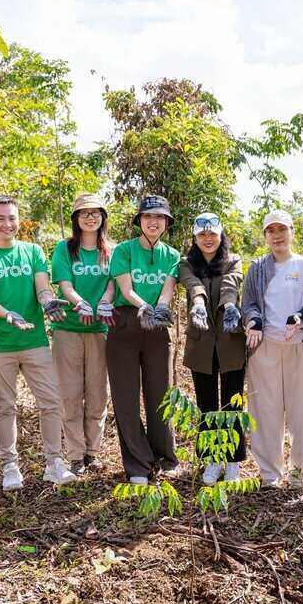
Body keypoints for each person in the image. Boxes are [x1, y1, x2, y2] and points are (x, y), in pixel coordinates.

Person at [0, 194, 76, 491]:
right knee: (5, 406)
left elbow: (42, 287)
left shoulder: (33, 251)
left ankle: (54, 463)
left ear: (19, 220)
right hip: (0, 342)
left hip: (34, 341)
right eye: (0, 218)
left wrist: (48, 301)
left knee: (51, 402)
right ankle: (10, 466)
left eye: (12, 218)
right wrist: (7, 314)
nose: (7, 224)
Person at [240, 209, 303, 490]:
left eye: (282, 229)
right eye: (271, 231)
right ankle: (269, 474)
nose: (277, 236)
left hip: (301, 346)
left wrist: (299, 317)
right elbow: (249, 304)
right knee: (265, 411)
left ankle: (300, 473)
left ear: (292, 232)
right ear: (265, 236)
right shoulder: (257, 268)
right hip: (266, 348)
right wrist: (254, 321)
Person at [106, 195, 181, 485]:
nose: (154, 221)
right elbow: (126, 290)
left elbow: (167, 289)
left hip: (157, 326)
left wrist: (159, 308)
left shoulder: (172, 255)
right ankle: (138, 464)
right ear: (139, 220)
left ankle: (164, 457)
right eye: (148, 216)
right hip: (126, 322)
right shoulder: (124, 250)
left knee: (160, 394)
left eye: (160, 217)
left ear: (166, 222)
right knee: (126, 397)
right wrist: (144, 307)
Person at [178, 213, 247, 486]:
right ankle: (211, 458)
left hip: (230, 340)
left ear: (221, 236)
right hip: (201, 341)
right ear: (195, 238)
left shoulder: (234, 260)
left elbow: (231, 283)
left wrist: (229, 306)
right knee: (206, 403)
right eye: (202, 235)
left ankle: (232, 460)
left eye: (213, 234)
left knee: (232, 402)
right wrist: (198, 303)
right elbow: (192, 284)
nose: (208, 239)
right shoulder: (186, 263)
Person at [50, 193, 117, 475]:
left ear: (103, 217)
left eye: (95, 212)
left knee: (98, 393)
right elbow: (65, 285)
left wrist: (103, 302)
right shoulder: (65, 249)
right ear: (76, 218)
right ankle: (76, 455)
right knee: (70, 394)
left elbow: (113, 284)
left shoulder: (112, 251)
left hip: (100, 330)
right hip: (68, 329)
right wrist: (80, 302)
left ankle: (92, 452)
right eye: (84, 213)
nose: (90, 217)